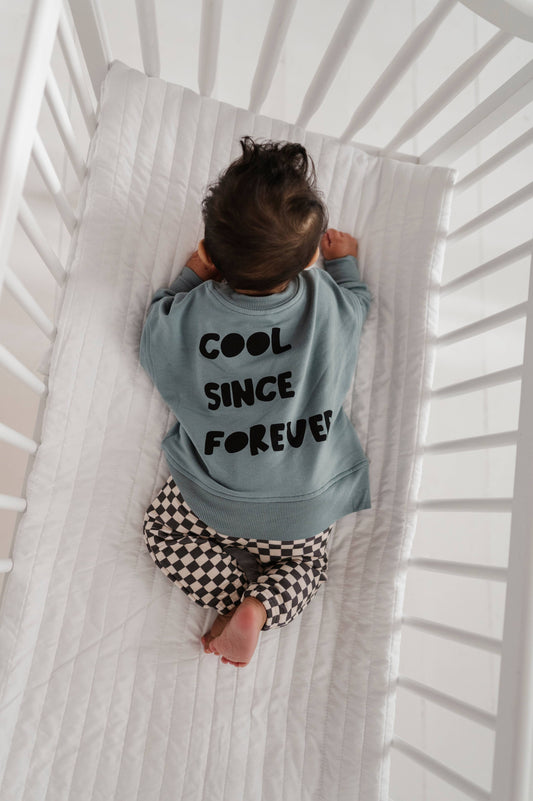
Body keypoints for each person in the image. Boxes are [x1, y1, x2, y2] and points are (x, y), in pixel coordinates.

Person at [139, 136, 372, 668]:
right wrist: (345, 265)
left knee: (164, 531)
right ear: (308, 258)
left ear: (214, 251)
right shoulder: (327, 304)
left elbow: (157, 327)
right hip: (306, 507)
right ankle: (261, 607)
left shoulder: (192, 318)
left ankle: (233, 600)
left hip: (215, 500)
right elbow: (359, 306)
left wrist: (192, 273)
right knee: (308, 568)